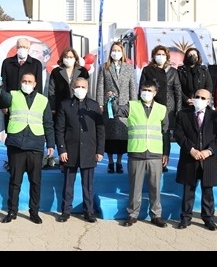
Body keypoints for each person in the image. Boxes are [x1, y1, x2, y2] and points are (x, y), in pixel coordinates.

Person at [0, 72, 55, 224]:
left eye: (30, 81)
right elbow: (2, 99)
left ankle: (34, 212)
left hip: (35, 145)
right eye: (24, 81)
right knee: (15, 181)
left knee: (35, 182)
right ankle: (12, 211)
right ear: (20, 82)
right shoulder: (13, 95)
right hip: (16, 144)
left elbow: (48, 123)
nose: (27, 83)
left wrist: (50, 144)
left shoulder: (43, 100)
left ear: (35, 84)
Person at [116, 79, 170, 228]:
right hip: (136, 152)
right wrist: (111, 100)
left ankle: (156, 215)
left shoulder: (162, 109)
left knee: (155, 187)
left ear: (155, 93)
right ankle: (132, 215)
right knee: (135, 187)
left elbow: (165, 132)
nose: (146, 93)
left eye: (149, 90)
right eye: (144, 90)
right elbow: (116, 111)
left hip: (155, 153)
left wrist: (166, 153)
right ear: (140, 91)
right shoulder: (132, 106)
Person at [173, 88, 217, 231]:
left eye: (203, 98)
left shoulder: (216, 116)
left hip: (208, 159)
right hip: (189, 158)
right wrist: (191, 149)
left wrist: (209, 151)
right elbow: (179, 134)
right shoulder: (183, 114)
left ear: (209, 101)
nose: (199, 100)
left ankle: (208, 218)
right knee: (188, 190)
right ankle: (185, 218)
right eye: (197, 97)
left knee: (208, 191)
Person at [54, 77, 104, 223]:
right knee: (68, 184)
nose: (80, 89)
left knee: (88, 185)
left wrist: (100, 151)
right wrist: (62, 149)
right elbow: (59, 129)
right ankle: (66, 211)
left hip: (89, 151)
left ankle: (89, 211)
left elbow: (100, 130)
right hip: (70, 151)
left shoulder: (94, 106)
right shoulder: (65, 105)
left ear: (87, 89)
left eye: (83, 87)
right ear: (72, 88)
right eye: (77, 87)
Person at [94, 41, 137, 174]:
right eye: (114, 50)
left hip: (124, 105)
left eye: (118, 50)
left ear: (122, 52)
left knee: (122, 135)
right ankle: (110, 162)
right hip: (108, 106)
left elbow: (132, 87)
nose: (116, 53)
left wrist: (133, 104)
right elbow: (100, 86)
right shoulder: (104, 67)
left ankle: (119, 161)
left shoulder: (129, 68)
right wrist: (100, 103)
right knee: (109, 134)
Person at [139, 45, 181, 172]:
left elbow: (177, 91)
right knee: (151, 133)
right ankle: (150, 160)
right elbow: (141, 88)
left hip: (168, 107)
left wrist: (178, 110)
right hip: (151, 105)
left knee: (165, 134)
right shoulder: (147, 70)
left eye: (163, 54)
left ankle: (164, 162)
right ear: (153, 56)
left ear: (167, 57)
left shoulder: (172, 71)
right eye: (158, 54)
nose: (160, 57)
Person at [48, 47, 90, 120]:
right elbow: (51, 91)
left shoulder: (83, 71)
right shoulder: (56, 72)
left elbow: (87, 89)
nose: (68, 59)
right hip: (61, 106)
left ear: (75, 58)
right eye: (66, 57)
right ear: (62, 58)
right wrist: (52, 107)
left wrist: (88, 104)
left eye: (71, 57)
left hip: (79, 105)